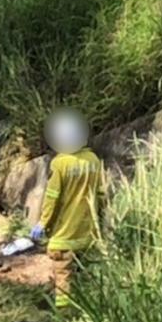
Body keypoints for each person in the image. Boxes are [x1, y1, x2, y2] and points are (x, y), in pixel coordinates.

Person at [31, 109, 104, 309]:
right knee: (82, 273)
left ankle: (64, 314)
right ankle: (85, 308)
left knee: (63, 274)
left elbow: (52, 198)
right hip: (87, 232)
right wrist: (100, 224)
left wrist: (42, 223)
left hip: (64, 233)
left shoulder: (60, 163)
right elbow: (101, 195)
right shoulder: (93, 161)